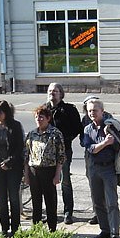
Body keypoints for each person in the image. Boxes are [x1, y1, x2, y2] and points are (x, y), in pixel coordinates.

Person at [82, 98, 120, 238]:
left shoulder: (111, 126)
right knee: (97, 201)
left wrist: (109, 139)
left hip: (108, 168)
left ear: (102, 111)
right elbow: (90, 148)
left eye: (95, 110)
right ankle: (105, 230)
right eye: (89, 111)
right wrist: (105, 143)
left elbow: (117, 146)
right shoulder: (87, 129)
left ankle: (114, 233)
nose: (92, 113)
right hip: (94, 168)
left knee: (112, 202)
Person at [24, 104, 66, 232]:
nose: (39, 119)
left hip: (49, 171)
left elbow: (61, 156)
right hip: (34, 171)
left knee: (50, 202)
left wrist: (57, 175)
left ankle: (52, 229)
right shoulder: (31, 134)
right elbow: (26, 155)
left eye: (41, 117)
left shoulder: (55, 133)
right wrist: (26, 175)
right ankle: (36, 229)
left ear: (48, 118)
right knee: (36, 202)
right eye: (37, 117)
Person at [0, 100, 24, 237]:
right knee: (1, 199)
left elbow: (20, 146)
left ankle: (15, 228)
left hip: (13, 166)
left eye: (0, 112)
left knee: (14, 198)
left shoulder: (15, 126)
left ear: (6, 113)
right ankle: (4, 227)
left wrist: (9, 161)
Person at [46, 83, 83, 225]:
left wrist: (65, 139)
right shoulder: (44, 109)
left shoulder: (69, 109)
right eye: (50, 91)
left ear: (61, 94)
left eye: (55, 91)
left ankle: (68, 212)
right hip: (47, 153)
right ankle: (51, 213)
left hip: (64, 150)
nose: (52, 93)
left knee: (65, 181)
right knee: (49, 183)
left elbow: (77, 128)